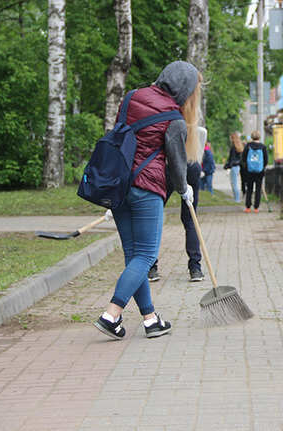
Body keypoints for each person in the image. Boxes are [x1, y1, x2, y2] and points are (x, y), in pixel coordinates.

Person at [94, 60, 201, 340]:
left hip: (118, 185)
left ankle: (151, 320)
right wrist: (183, 187)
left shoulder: (131, 97)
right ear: (186, 88)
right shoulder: (174, 117)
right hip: (147, 189)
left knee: (134, 256)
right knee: (145, 255)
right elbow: (177, 163)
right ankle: (111, 314)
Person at [148, 127, 207, 284]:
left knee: (156, 215)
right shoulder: (198, 129)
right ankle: (195, 269)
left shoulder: (168, 122)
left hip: (169, 167)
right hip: (192, 166)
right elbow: (199, 152)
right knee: (190, 219)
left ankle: (151, 268)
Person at [241, 130, 268, 213]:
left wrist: (246, 167)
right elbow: (266, 160)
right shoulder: (263, 147)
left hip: (249, 171)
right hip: (259, 172)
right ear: (259, 137)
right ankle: (256, 208)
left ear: (252, 137)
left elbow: (243, 158)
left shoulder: (248, 146)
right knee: (258, 189)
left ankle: (248, 207)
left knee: (249, 189)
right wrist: (262, 167)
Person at [224, 132, 244, 203]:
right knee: (235, 183)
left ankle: (237, 199)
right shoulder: (240, 148)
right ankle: (237, 198)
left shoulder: (233, 148)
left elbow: (231, 159)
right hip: (237, 166)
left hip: (233, 167)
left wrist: (228, 166)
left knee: (234, 183)